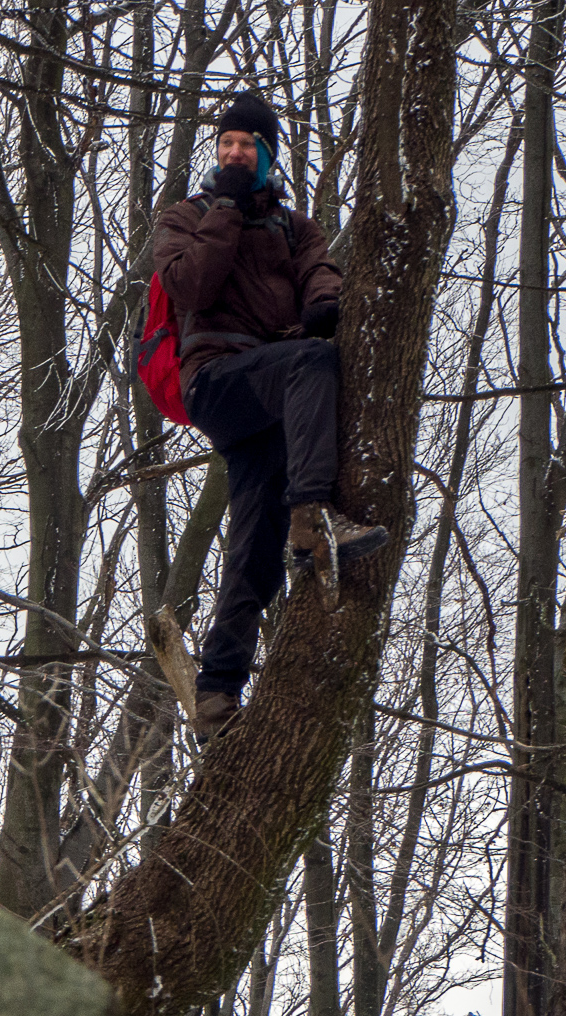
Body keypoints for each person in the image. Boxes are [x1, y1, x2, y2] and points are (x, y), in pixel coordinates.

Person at [153, 91, 386, 741]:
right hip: (218, 382)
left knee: (253, 551)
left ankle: (216, 696)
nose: (233, 152)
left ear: (268, 155)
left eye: (246, 145)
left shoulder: (295, 226)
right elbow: (192, 286)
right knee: (311, 363)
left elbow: (322, 274)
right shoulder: (188, 216)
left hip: (272, 401)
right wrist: (226, 205)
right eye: (225, 143)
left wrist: (323, 306)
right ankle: (311, 517)